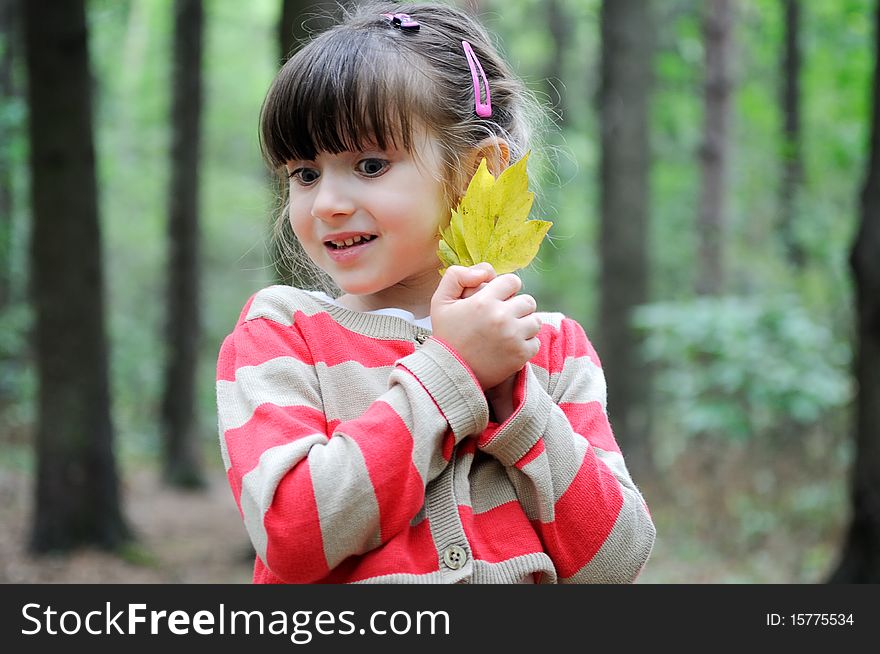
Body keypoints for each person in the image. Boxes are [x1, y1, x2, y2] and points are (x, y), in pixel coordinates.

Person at [216, 1, 655, 584]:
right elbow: (292, 535)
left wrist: (515, 402)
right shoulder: (281, 334)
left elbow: (617, 562)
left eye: (370, 164)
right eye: (304, 174)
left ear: (477, 172)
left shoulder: (549, 349)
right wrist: (452, 372)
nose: (327, 203)